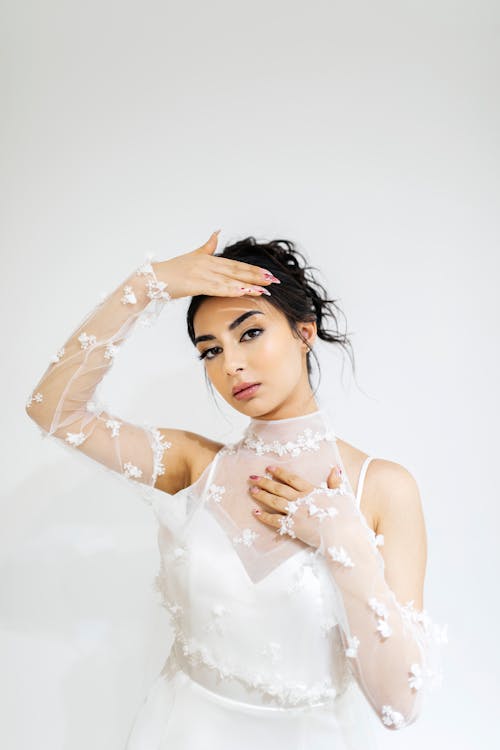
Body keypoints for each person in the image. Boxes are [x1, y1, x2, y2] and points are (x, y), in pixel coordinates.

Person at [25, 230, 448, 749]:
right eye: (210, 350)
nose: (230, 365)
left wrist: (344, 541)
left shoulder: (380, 487)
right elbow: (54, 409)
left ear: (304, 332)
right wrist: (149, 284)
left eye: (248, 333)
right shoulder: (192, 464)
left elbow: (399, 706)